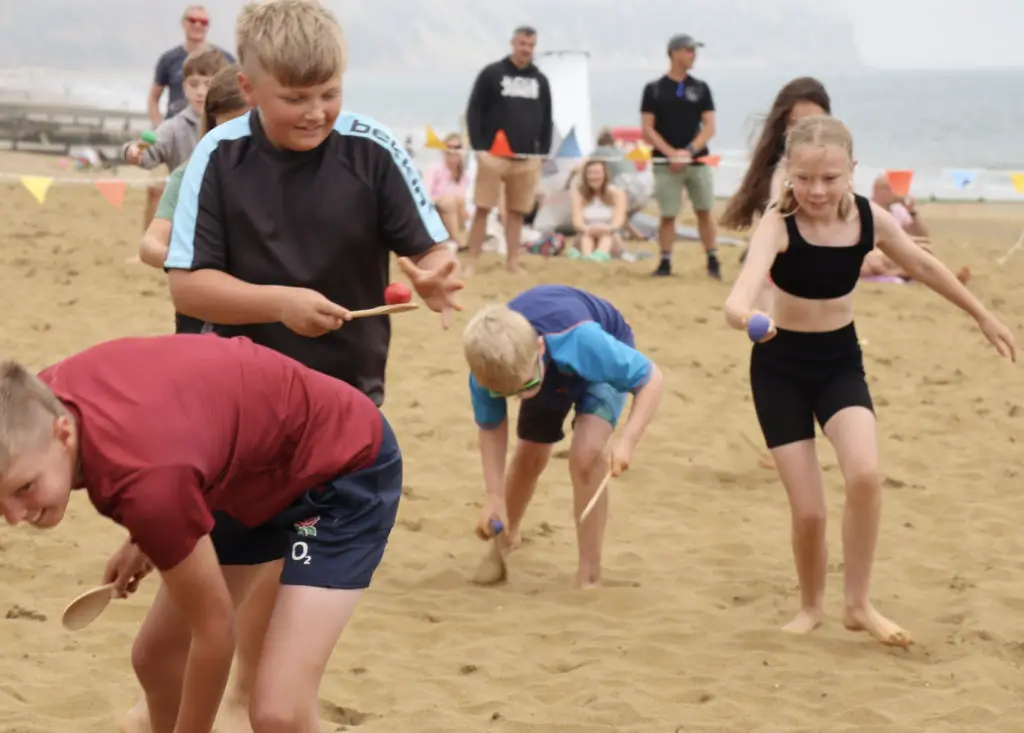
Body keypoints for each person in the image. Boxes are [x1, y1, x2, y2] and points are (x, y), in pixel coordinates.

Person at [157, 1, 463, 729]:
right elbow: (187, 285)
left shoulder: (373, 148)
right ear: (250, 86)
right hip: (236, 429)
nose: (318, 111)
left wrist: (432, 271)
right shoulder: (219, 155)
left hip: (338, 429)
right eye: (296, 97)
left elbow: (435, 251)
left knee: (280, 705)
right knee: (161, 657)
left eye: (329, 92)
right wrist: (281, 304)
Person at [0, 333, 403, 733]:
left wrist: (156, 522)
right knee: (156, 659)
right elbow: (168, 429)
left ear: (63, 434)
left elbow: (215, 632)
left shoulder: (150, 488)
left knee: (278, 714)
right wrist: (146, 535)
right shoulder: (29, 404)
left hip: (342, 468)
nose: (15, 516)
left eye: (25, 488)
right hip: (240, 473)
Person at [723, 115, 1017, 647]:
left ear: (852, 171)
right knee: (809, 510)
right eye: (805, 177)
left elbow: (926, 269)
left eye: (830, 178)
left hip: (839, 362)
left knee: (865, 475)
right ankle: (811, 605)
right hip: (779, 369)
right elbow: (739, 296)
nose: (816, 190)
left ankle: (857, 604)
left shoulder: (870, 219)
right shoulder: (778, 222)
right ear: (788, 171)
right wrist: (745, 316)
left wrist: (983, 315)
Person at [462, 285, 665, 588]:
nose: (521, 397)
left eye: (525, 386)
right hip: (546, 369)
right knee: (530, 455)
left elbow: (651, 379)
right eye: (509, 394)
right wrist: (494, 495)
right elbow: (491, 429)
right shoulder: (489, 371)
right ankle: (505, 541)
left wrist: (627, 441)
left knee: (586, 455)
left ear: (540, 349)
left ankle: (589, 572)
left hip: (596, 363)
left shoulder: (584, 341)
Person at [138, 64, 251, 335]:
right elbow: (150, 244)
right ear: (211, 126)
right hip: (204, 319)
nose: (237, 140)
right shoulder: (191, 173)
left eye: (247, 127)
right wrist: (191, 260)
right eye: (226, 129)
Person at [463, 25, 553, 275]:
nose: (526, 49)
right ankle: (471, 260)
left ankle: (512, 262)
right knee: (483, 207)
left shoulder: (540, 80)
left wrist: (542, 152)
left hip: (527, 157)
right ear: (513, 43)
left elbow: (547, 118)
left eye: (531, 45)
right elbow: (474, 111)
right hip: (492, 155)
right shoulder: (492, 74)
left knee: (517, 211)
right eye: (522, 44)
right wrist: (479, 148)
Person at [640, 33, 720, 279]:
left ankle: (712, 259)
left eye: (694, 50)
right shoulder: (654, 89)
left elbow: (709, 126)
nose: (693, 55)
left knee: (705, 210)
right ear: (674, 53)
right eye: (689, 50)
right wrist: (671, 154)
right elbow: (647, 128)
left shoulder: (700, 87)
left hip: (697, 161)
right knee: (668, 214)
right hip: (666, 163)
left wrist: (689, 151)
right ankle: (665, 261)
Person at [130, 46, 231, 231]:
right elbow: (149, 152)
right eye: (194, 84)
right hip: (186, 217)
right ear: (184, 87)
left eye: (208, 84)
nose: (200, 92)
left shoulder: (234, 124)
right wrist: (135, 152)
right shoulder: (174, 127)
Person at [150, 5, 236, 126]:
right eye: (192, 20)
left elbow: (235, 96)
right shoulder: (168, 59)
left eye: (203, 21)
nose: (197, 25)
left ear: (208, 25)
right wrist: (157, 126)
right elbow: (154, 97)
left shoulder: (225, 59)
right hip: (176, 129)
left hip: (211, 127)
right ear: (183, 23)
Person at [569, 159, 627, 261]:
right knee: (586, 237)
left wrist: (604, 228)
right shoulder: (579, 193)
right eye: (590, 173)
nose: (593, 177)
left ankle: (600, 255)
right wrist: (588, 229)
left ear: (605, 175)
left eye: (597, 173)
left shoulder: (617, 193)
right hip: (586, 233)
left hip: (610, 235)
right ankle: (587, 257)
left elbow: (619, 221)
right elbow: (576, 221)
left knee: (606, 236)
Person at [424, 132, 470, 247]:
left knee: (459, 201)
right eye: (450, 147)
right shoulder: (435, 169)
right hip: (435, 211)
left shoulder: (463, 175)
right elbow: (425, 196)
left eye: (457, 147)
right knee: (449, 201)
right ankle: (457, 239)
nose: (453, 151)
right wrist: (443, 199)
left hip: (454, 212)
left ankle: (456, 237)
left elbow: (462, 199)